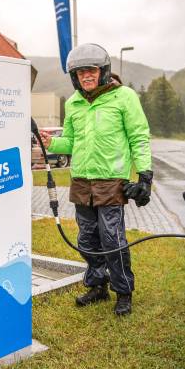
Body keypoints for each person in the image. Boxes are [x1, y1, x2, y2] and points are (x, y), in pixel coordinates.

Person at [39, 43, 152, 316]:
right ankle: (97, 285)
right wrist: (52, 142)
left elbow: (139, 137)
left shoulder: (124, 97)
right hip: (81, 182)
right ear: (74, 77)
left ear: (102, 72)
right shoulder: (73, 103)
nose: (86, 77)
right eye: (80, 73)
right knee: (87, 240)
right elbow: (71, 142)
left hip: (111, 181)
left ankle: (123, 291)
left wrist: (145, 176)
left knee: (112, 238)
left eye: (90, 71)